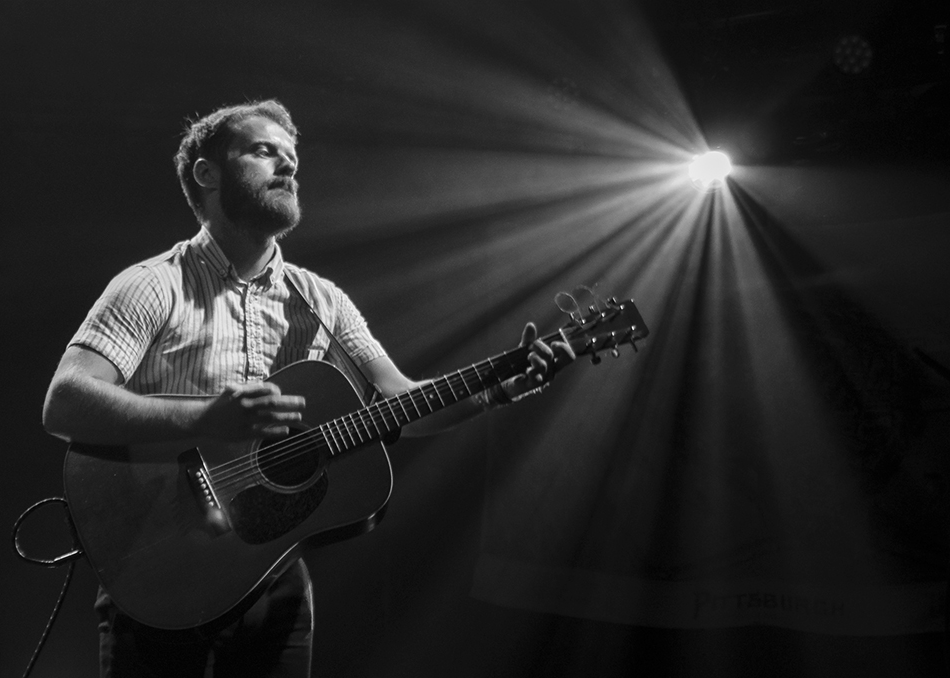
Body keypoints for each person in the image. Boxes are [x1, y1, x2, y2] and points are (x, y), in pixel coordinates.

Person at [42, 99, 573, 677]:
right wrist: (202, 420)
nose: (288, 166)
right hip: (160, 571)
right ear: (207, 173)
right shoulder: (153, 285)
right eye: (265, 151)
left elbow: (397, 402)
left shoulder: (321, 301)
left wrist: (496, 389)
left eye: (292, 157)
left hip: (274, 577)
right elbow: (65, 400)